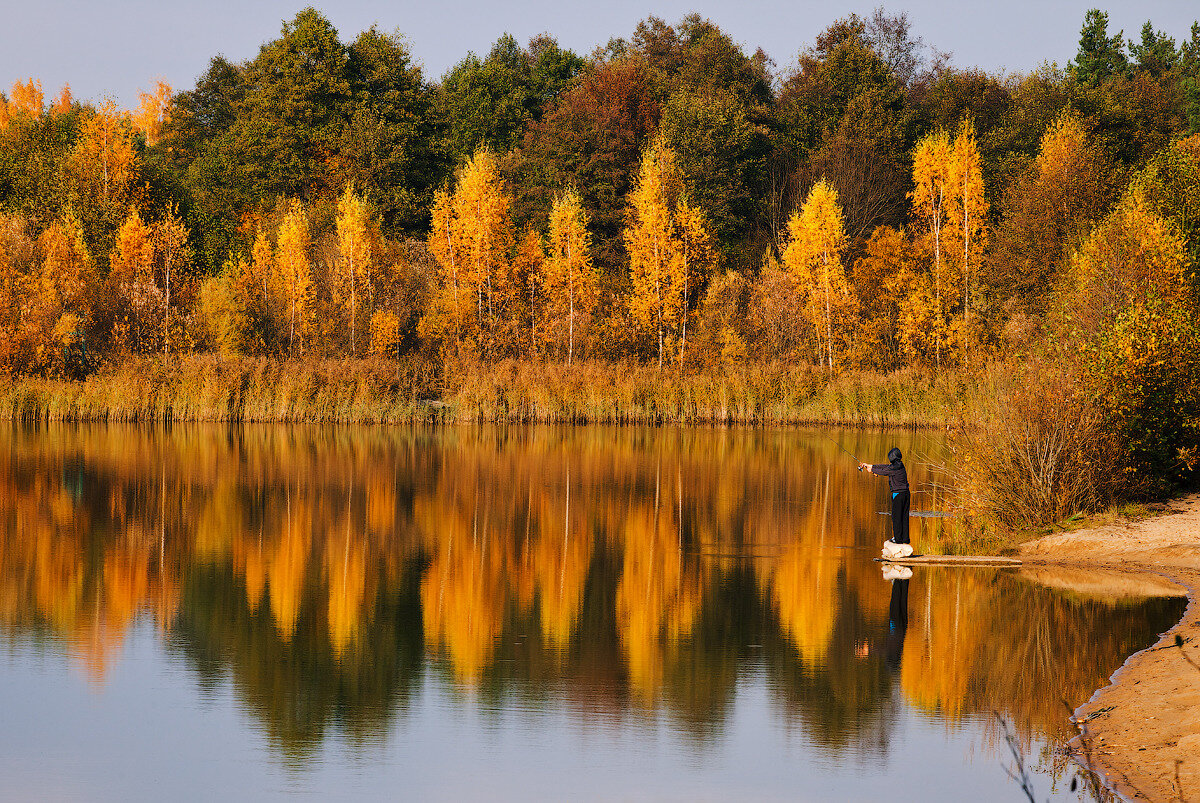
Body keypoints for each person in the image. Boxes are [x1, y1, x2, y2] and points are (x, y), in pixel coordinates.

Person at [860, 447, 910, 546]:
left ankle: (898, 539)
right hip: (906, 494)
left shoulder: (894, 468)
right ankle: (905, 538)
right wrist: (871, 466)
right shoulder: (899, 465)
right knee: (904, 517)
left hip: (898, 495)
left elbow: (884, 471)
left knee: (896, 517)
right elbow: (885, 467)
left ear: (892, 457)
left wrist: (872, 469)